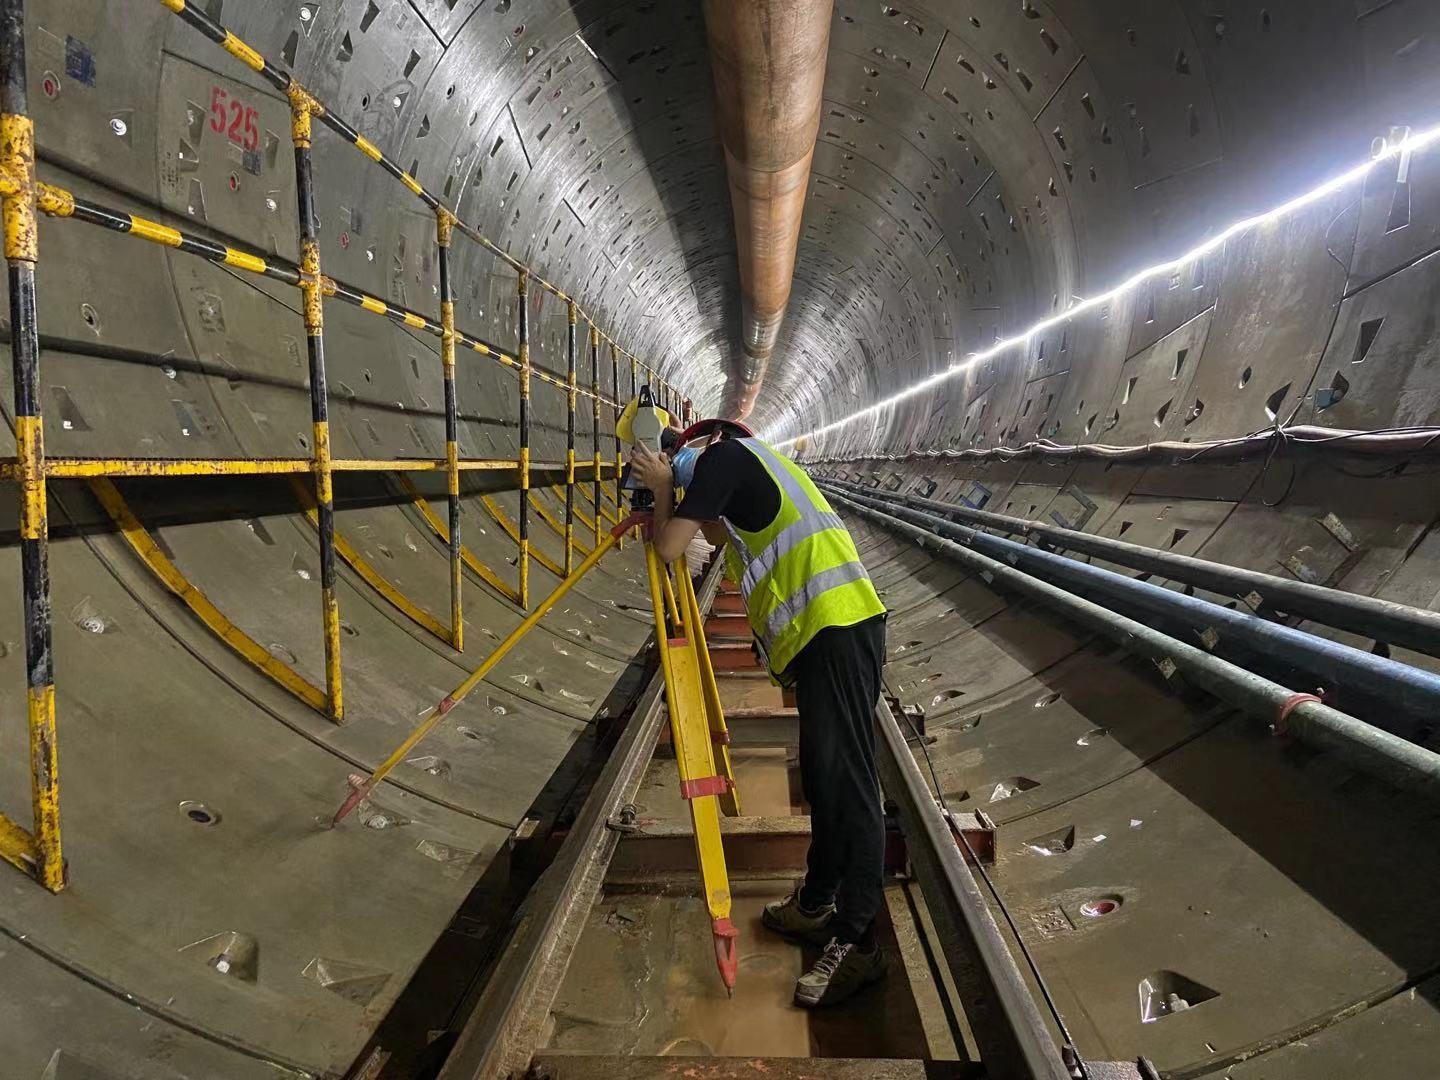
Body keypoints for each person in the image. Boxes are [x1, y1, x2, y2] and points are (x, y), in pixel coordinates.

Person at [630, 423, 889, 1008]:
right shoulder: (749, 464)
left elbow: (672, 546)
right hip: (831, 631)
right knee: (823, 780)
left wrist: (665, 489)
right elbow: (718, 540)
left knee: (850, 788)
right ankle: (816, 902)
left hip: (839, 628)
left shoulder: (720, 463)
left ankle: (859, 942)